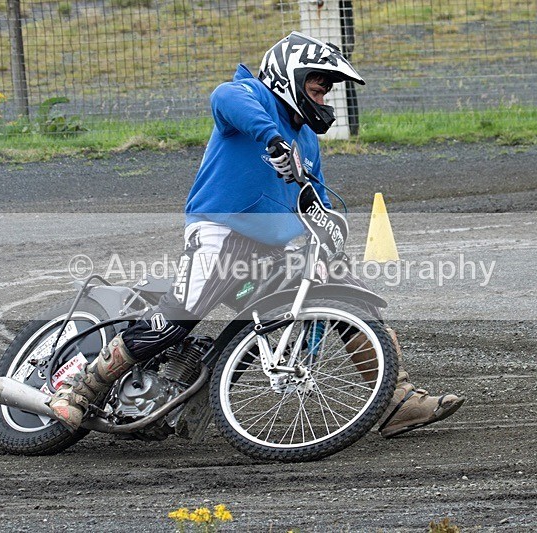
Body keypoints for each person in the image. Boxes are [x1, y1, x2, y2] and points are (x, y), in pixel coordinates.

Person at [49, 31, 464, 439]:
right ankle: (81, 388)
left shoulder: (307, 142)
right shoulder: (249, 96)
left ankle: (397, 400)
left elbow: (314, 201)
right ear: (289, 74)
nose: (326, 91)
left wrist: (329, 238)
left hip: (271, 248)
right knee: (180, 317)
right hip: (221, 231)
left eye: (330, 86)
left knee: (343, 294)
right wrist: (274, 139)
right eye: (319, 82)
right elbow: (225, 98)